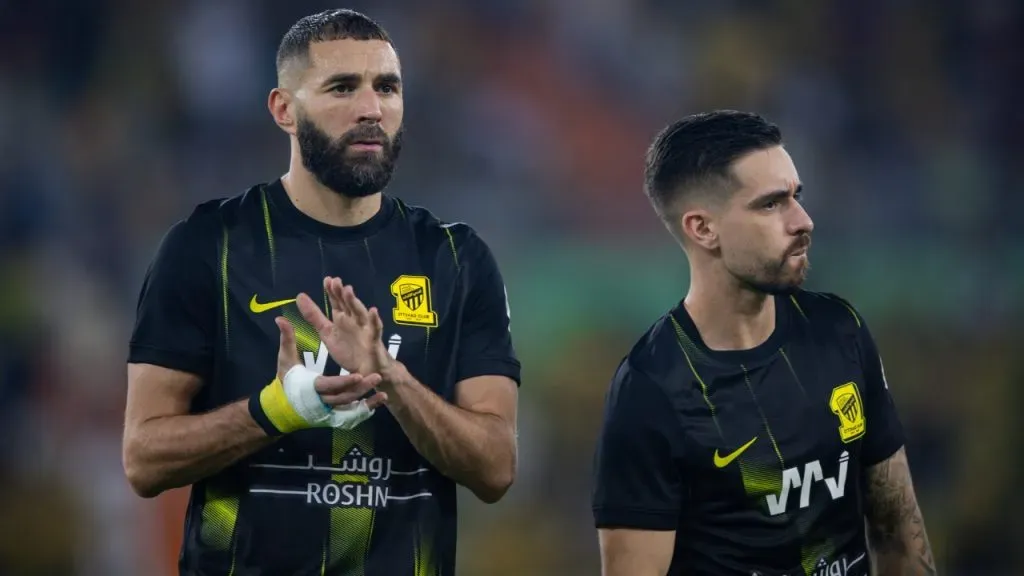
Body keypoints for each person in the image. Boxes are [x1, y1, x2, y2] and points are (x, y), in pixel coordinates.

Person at [121, 9, 520, 575]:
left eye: (387, 87)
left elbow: (497, 468)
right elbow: (143, 459)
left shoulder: (456, 259)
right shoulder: (208, 247)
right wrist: (277, 409)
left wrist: (393, 380)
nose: (371, 109)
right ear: (284, 109)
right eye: (342, 88)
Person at [591, 110, 935, 576]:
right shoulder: (650, 388)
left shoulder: (840, 331)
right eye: (771, 204)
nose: (803, 221)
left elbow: (899, 531)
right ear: (702, 228)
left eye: (797, 196)